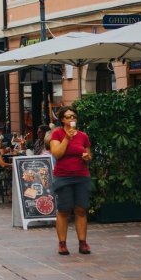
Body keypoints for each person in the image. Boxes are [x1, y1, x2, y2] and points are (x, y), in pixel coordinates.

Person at [50, 106, 91, 256]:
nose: (72, 118)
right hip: (63, 177)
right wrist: (67, 138)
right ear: (62, 120)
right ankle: (62, 244)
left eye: (73, 116)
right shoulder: (57, 134)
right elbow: (57, 154)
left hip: (81, 176)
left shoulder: (83, 136)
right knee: (64, 210)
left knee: (81, 209)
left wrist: (87, 157)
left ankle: (83, 243)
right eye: (68, 117)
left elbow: (88, 154)